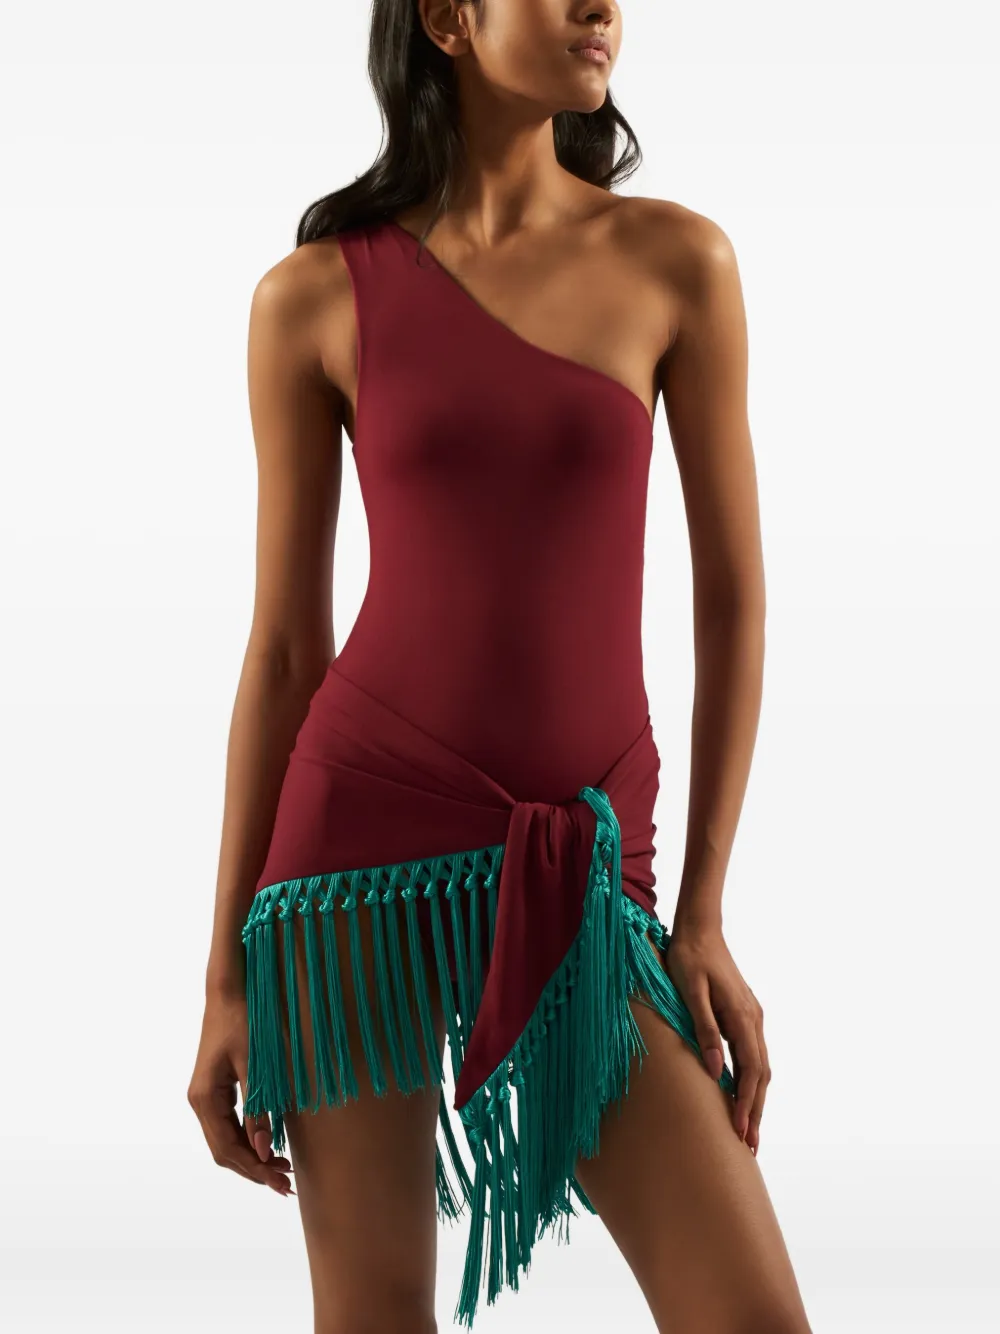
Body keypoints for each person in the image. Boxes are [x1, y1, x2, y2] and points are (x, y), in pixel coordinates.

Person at [188, 3, 813, 1331]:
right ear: (450, 19)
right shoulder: (312, 297)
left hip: (582, 870)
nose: (602, 8)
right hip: (353, 862)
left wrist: (702, 913)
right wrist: (225, 974)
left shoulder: (675, 260)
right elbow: (286, 647)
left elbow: (733, 600)